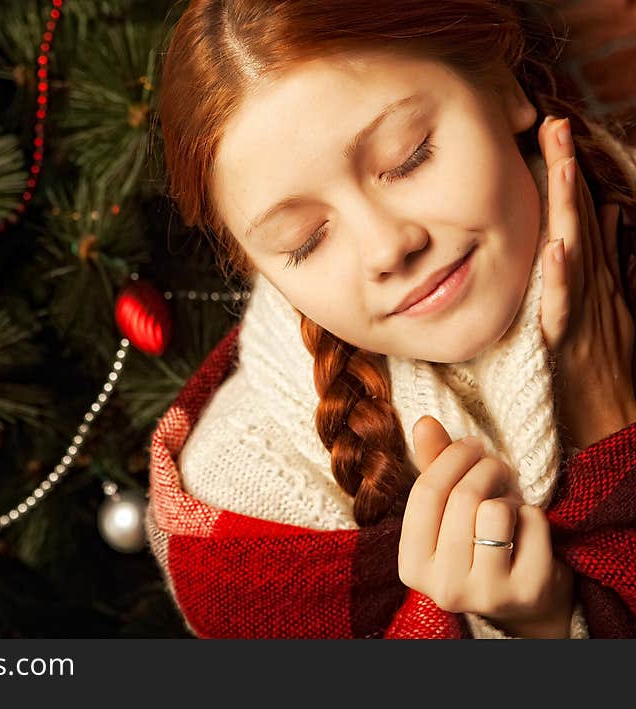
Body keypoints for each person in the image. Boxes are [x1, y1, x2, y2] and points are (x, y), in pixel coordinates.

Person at [146, 0, 636, 638]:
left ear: (501, 87)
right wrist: (536, 627)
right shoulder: (237, 494)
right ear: (261, 269)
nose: (387, 247)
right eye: (305, 240)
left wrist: (615, 439)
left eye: (408, 159)